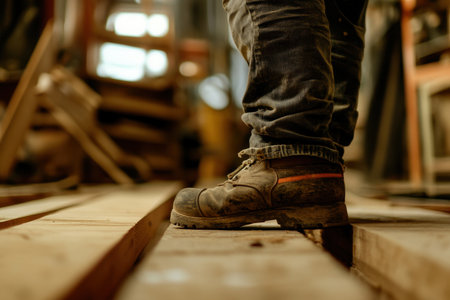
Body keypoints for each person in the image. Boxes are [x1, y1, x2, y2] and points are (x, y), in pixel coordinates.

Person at [171, 0, 368, 229]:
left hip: (288, 160)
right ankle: (316, 166)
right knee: (338, 13)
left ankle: (288, 160)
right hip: (326, 166)